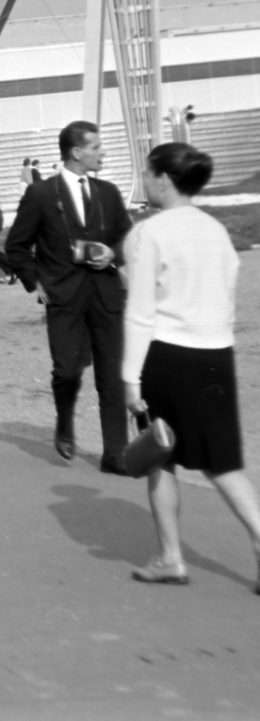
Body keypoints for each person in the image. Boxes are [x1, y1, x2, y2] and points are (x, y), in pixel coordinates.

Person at [120, 142, 260, 589]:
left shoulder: (149, 232)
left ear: (163, 178)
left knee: (161, 456)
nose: (145, 179)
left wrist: (130, 376)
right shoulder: (215, 230)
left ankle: (171, 557)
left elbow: (140, 311)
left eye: (147, 173)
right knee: (223, 461)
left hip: (168, 355)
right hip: (216, 354)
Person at [6, 120, 134, 472]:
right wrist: (37, 283)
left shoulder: (108, 192)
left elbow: (127, 235)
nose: (102, 152)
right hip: (63, 298)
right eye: (96, 146)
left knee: (111, 375)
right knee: (67, 370)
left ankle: (115, 453)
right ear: (77, 152)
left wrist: (114, 253)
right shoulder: (42, 195)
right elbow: (16, 247)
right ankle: (64, 421)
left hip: (107, 296)